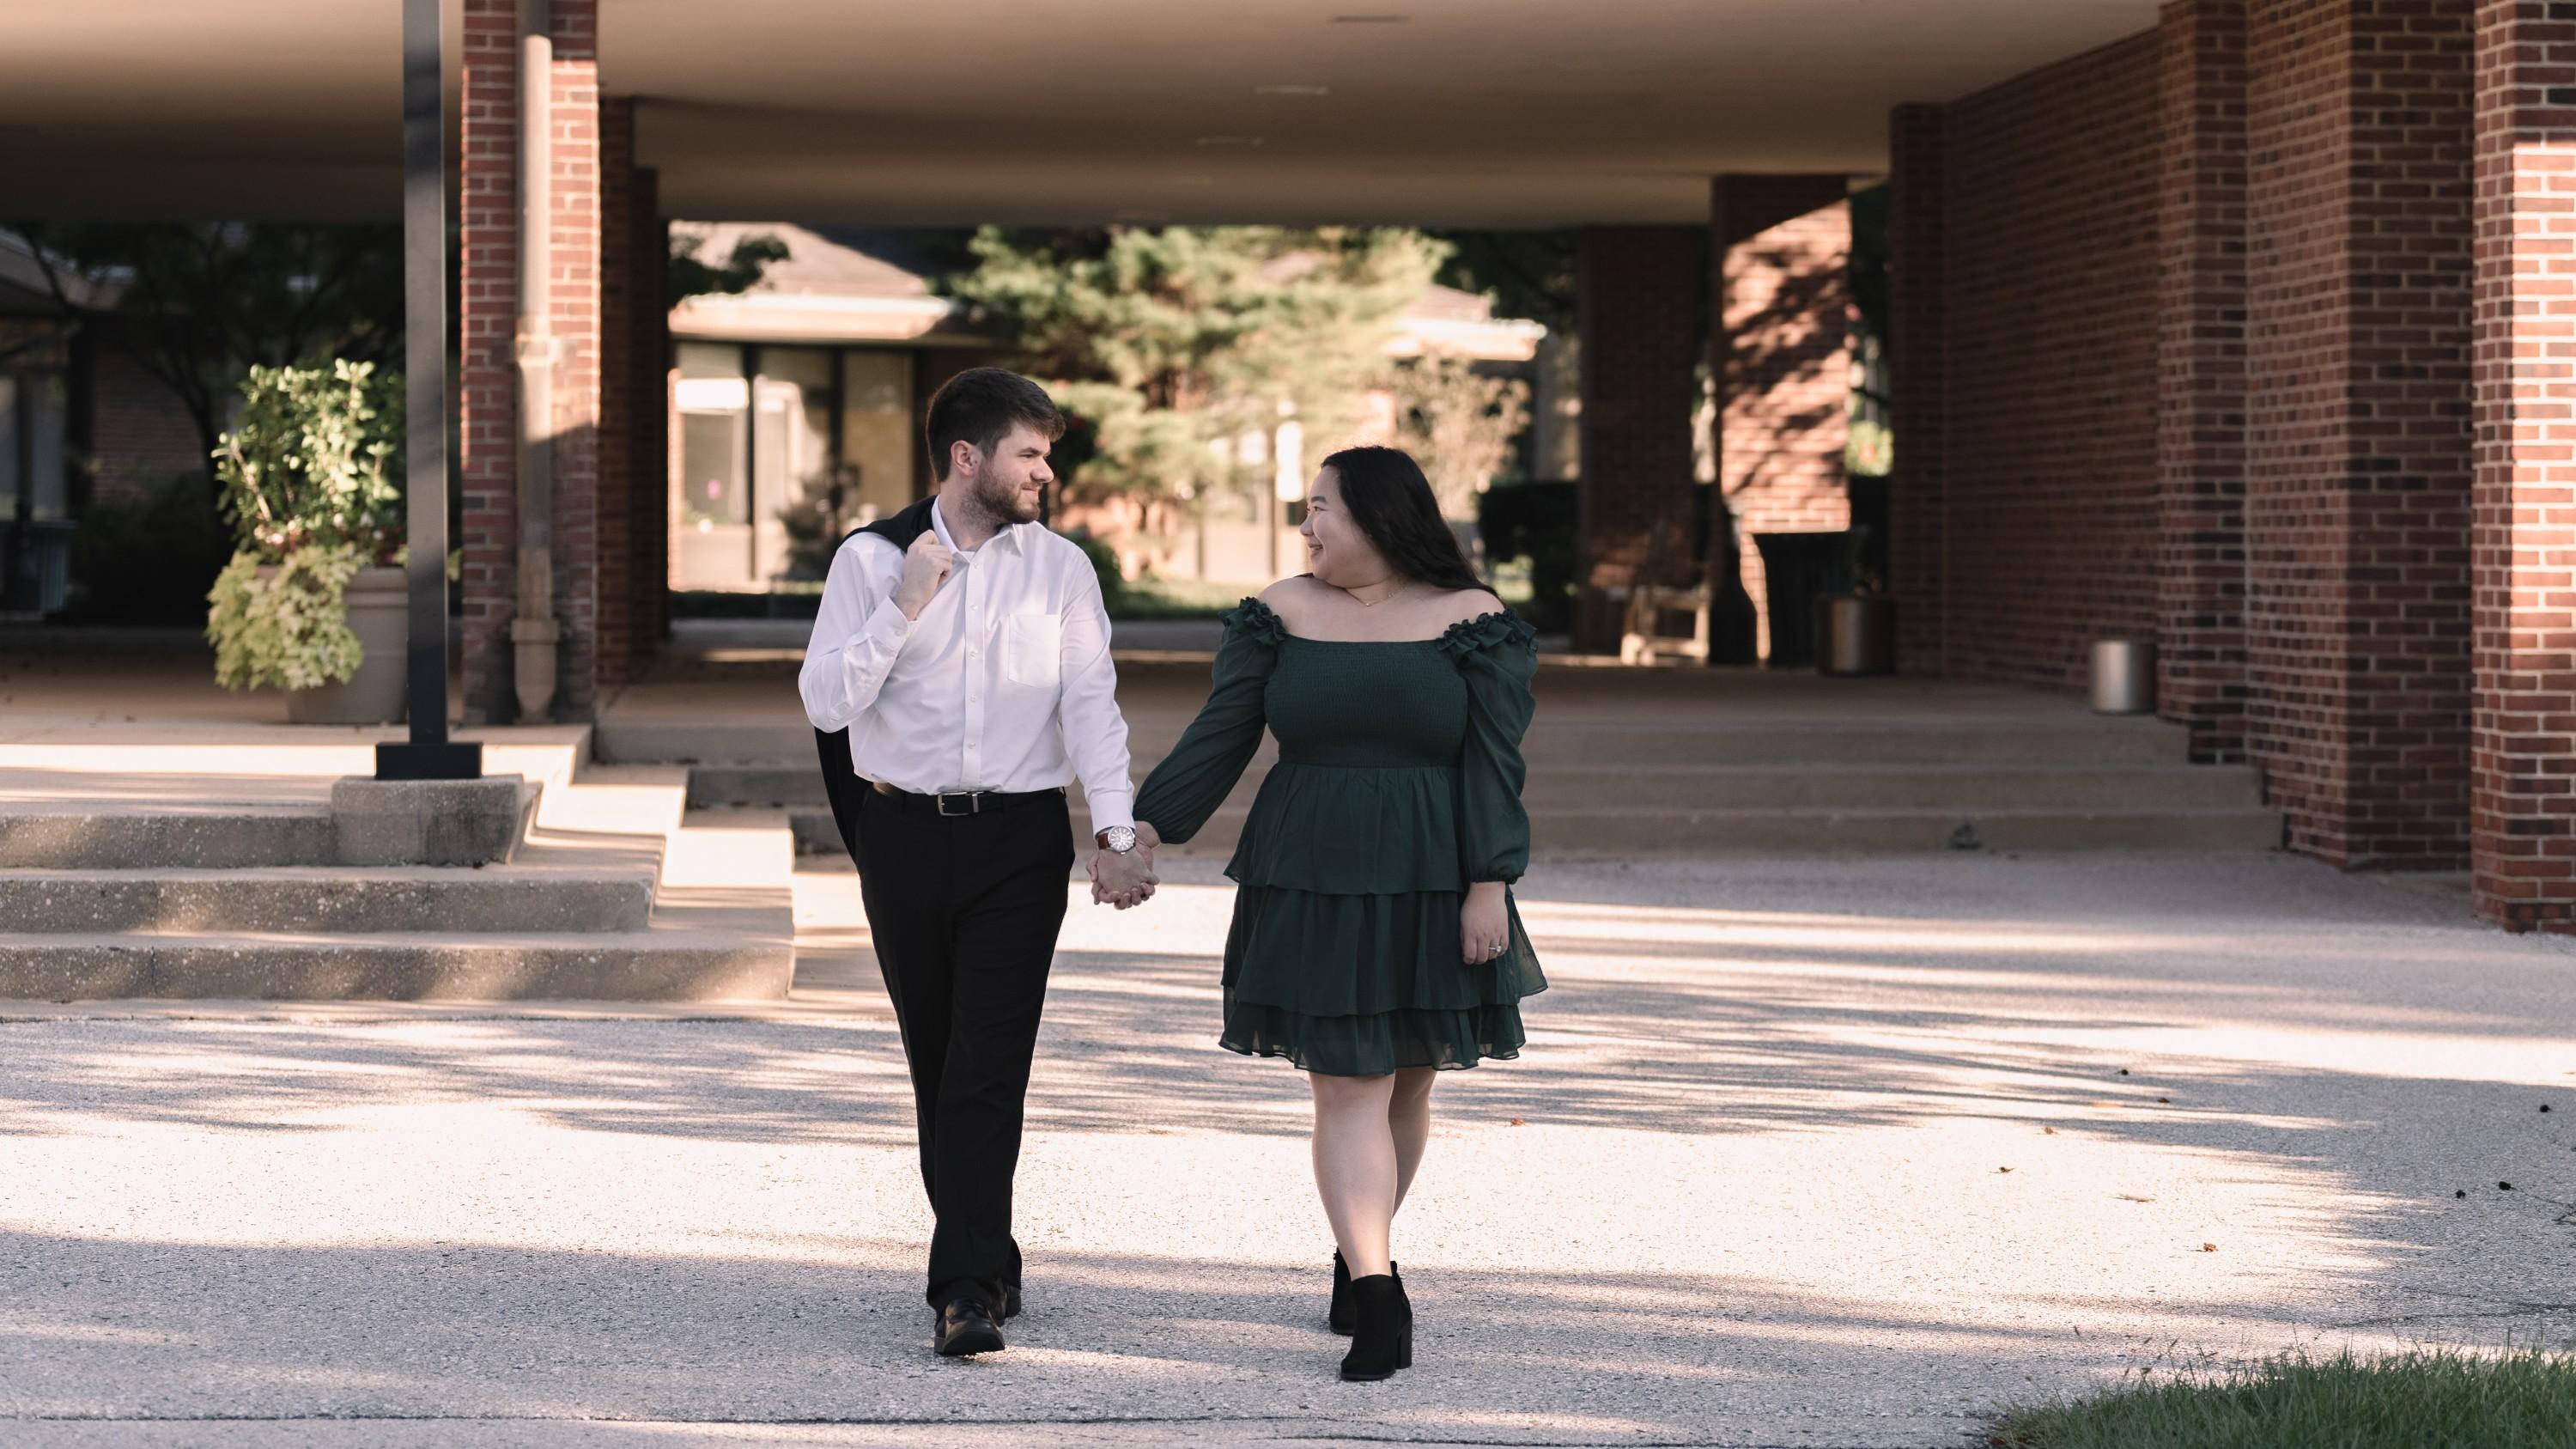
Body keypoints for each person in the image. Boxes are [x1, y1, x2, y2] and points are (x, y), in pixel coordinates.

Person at [1129, 444, 1545, 1382]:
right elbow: (1222, 732)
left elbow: (1493, 761)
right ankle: (1379, 1292)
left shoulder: (1473, 621)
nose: (1307, 527)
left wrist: (1492, 879)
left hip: (1434, 868)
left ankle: (1361, 1242)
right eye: (1307, 509)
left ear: (1382, 520)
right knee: (1346, 1081)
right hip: (1310, 866)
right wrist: (1147, 823)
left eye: (1323, 510)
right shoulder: (1279, 613)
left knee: (1407, 1076)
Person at [799, 367, 1158, 1359]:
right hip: (905, 836)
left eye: (1047, 454)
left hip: (1017, 840)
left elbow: (1091, 705)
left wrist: (1116, 832)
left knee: (987, 1066)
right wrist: (903, 609)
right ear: (967, 458)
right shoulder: (870, 562)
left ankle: (963, 1288)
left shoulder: (1062, 570)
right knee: (937, 1061)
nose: (1047, 471)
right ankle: (988, 1249)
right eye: (1029, 454)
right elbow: (826, 702)